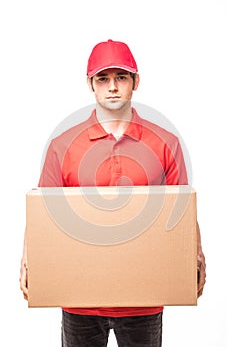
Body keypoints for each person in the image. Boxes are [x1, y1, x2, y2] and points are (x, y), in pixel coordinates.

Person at [20, 39, 206, 346]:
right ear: (90, 84)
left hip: (144, 298)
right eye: (103, 79)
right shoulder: (63, 145)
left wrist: (197, 254)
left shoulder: (165, 143)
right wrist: (27, 259)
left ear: (136, 82)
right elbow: (43, 213)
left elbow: (182, 211)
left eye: (121, 77)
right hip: (79, 296)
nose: (113, 87)